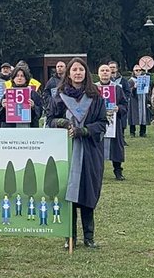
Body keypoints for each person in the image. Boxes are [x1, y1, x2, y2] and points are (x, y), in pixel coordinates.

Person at [47, 58, 107, 249]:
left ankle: (89, 237)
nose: (78, 73)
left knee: (88, 191)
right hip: (66, 151)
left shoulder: (95, 96)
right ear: (69, 73)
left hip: (89, 150)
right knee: (68, 193)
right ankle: (69, 236)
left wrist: (85, 130)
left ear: (86, 73)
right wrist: (62, 123)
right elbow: (50, 120)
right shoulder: (59, 95)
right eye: (74, 70)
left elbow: (102, 122)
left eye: (81, 69)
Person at [96, 63, 126, 181]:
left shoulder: (117, 88)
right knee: (98, 146)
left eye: (107, 70)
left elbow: (124, 104)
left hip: (114, 122)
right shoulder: (94, 88)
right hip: (98, 121)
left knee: (116, 147)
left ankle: (118, 171)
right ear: (98, 74)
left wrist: (119, 108)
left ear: (111, 73)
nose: (104, 72)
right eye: (102, 70)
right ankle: (97, 171)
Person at [128, 65, 153, 138]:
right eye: (136, 70)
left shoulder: (144, 79)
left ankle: (143, 132)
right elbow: (129, 92)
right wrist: (134, 87)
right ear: (133, 71)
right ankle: (132, 132)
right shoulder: (131, 80)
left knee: (144, 116)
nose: (138, 72)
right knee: (133, 116)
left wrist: (148, 100)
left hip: (143, 99)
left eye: (139, 70)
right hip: (134, 100)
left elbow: (148, 90)